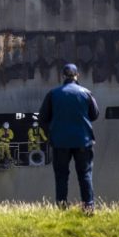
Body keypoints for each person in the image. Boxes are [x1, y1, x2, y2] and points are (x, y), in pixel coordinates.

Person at [38, 63, 100, 211]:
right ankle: (89, 206)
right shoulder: (86, 93)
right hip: (82, 141)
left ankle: (61, 206)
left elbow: (42, 118)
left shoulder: (53, 94)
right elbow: (95, 114)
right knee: (85, 174)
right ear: (77, 75)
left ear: (63, 76)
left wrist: (50, 134)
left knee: (61, 176)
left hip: (60, 142)